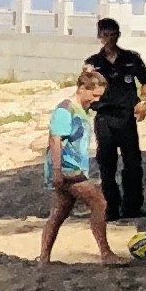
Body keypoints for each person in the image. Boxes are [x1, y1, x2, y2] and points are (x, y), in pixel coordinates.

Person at [37, 72, 115, 266]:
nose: (96, 100)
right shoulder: (65, 110)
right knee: (99, 202)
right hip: (67, 168)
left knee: (60, 212)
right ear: (82, 89)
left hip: (75, 167)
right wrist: (57, 171)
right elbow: (55, 140)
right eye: (94, 95)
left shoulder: (82, 109)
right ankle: (106, 253)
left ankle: (44, 258)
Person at [86, 18, 146, 226]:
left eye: (113, 34)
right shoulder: (93, 62)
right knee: (106, 164)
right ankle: (111, 208)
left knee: (132, 163)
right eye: (105, 34)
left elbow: (145, 80)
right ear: (99, 36)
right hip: (104, 117)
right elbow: (85, 87)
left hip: (126, 116)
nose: (109, 38)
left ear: (118, 35)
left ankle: (132, 207)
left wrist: (143, 103)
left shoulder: (131, 58)